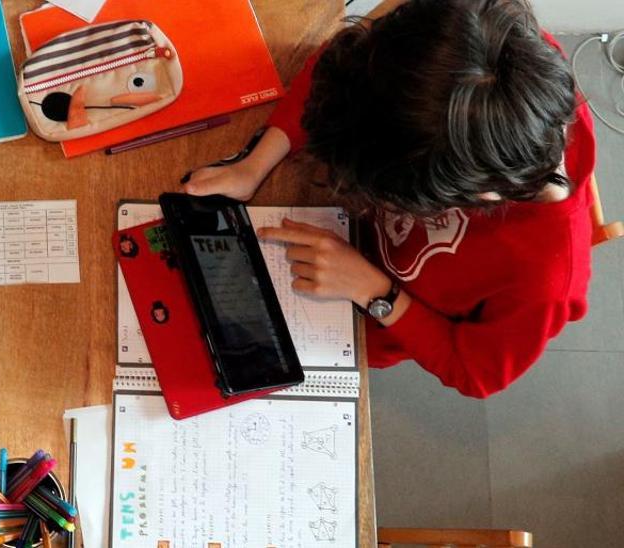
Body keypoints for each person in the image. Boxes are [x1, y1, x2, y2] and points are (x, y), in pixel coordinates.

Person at [183, 0, 595, 398]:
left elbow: (474, 373)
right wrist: (255, 163)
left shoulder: (545, 281)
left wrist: (376, 293)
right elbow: (345, 74)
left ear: (476, 196)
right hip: (333, 240)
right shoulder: (483, 50)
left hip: (363, 322)